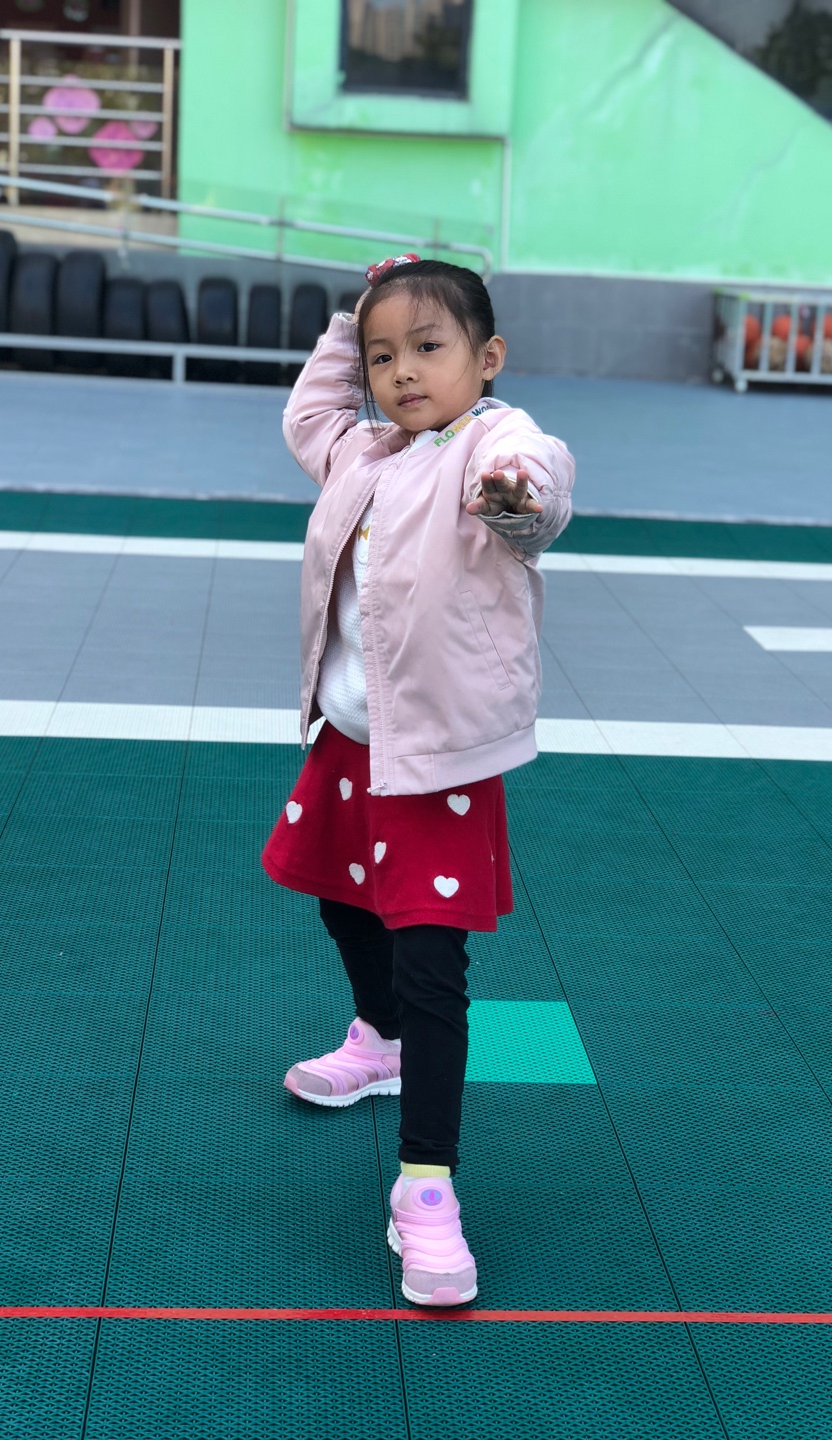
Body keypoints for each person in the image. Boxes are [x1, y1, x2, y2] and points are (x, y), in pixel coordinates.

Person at [262, 255, 575, 1307]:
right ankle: (380, 1037)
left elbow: (539, 479)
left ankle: (427, 1189)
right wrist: (346, 321)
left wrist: (519, 497)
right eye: (382, 356)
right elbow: (310, 416)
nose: (402, 372)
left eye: (428, 349)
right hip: (352, 742)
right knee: (340, 902)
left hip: (438, 760)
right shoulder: (361, 452)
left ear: (487, 359)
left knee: (431, 962)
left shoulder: (491, 445)